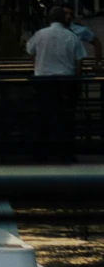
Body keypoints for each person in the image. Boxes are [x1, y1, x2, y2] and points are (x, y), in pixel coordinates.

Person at [26, 13, 97, 161]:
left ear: (50, 19)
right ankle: (65, 152)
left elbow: (30, 51)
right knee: (65, 117)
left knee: (44, 115)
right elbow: (79, 62)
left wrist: (38, 65)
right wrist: (76, 80)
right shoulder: (71, 36)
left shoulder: (40, 34)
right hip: (65, 81)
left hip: (43, 81)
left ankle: (43, 152)